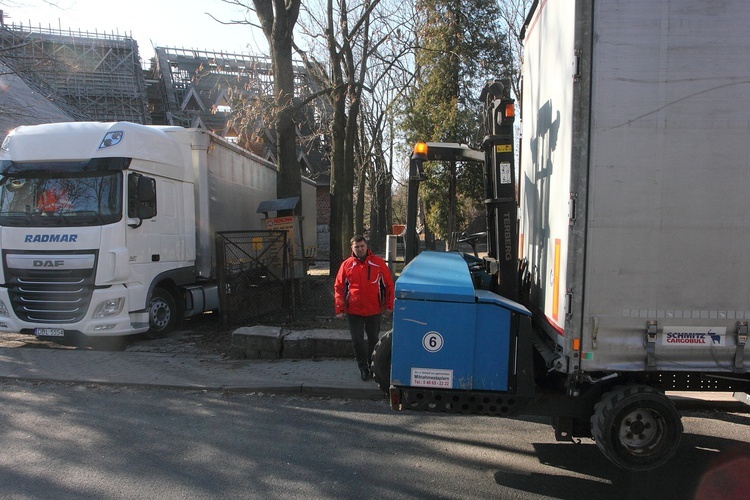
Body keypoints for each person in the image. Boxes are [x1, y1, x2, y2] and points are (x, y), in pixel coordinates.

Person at [334, 235, 395, 381]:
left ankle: (373, 366)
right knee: (357, 340)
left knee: (373, 339)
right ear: (352, 248)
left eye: (362, 246)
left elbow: (389, 285)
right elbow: (339, 287)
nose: (360, 249)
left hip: (373, 309)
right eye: (357, 247)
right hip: (354, 310)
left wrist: (389, 306)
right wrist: (339, 308)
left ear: (366, 246)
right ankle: (363, 368)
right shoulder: (347, 265)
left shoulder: (378, 263)